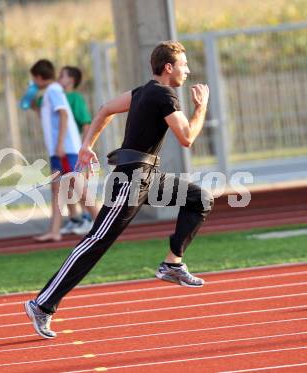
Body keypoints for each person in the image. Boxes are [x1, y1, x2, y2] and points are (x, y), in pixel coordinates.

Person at [25, 41, 214, 339]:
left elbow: (105, 110)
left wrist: (87, 146)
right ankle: (42, 304)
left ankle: (172, 263)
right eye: (184, 65)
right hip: (131, 179)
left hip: (148, 177)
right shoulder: (164, 94)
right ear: (168, 68)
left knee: (199, 198)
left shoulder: (142, 92)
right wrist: (202, 106)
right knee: (95, 242)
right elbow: (187, 137)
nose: (188, 70)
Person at [30, 59, 98, 242]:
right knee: (58, 189)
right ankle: (55, 230)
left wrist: (60, 144)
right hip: (60, 149)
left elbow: (65, 115)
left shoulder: (54, 90)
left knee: (78, 188)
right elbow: (47, 116)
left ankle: (103, 225)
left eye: (63, 75)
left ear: (38, 77)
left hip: (66, 149)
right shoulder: (51, 93)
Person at [58, 66, 95, 235]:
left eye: (62, 75)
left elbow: (86, 123)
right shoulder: (57, 97)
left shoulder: (75, 98)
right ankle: (74, 218)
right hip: (62, 150)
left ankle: (89, 217)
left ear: (71, 79)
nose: (58, 78)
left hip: (74, 150)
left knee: (78, 183)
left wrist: (85, 148)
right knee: (64, 184)